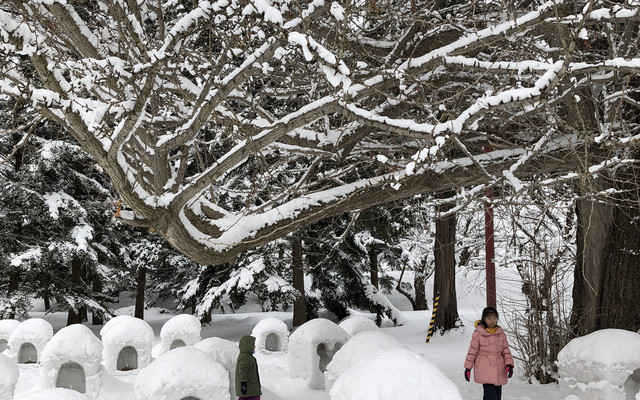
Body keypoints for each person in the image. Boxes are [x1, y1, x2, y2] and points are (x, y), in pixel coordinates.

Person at [464, 306, 514, 400]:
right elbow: (472, 351)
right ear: (484, 319)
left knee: (497, 396)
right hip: (484, 369)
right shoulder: (478, 333)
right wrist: (468, 368)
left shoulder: (500, 333)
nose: (492, 321)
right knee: (491, 396)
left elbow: (506, 351)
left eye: (495, 318)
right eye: (489, 318)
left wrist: (509, 365)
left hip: (499, 370)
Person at [235, 335, 262, 400]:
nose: (254, 347)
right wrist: (243, 384)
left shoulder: (247, 356)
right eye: (253, 345)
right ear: (247, 346)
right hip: (249, 386)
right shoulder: (245, 357)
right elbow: (242, 370)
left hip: (250, 386)